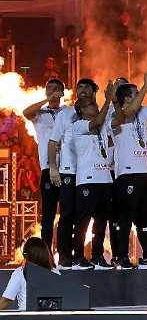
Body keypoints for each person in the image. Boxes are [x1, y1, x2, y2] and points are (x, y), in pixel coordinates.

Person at [110, 67, 147, 268]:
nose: (139, 97)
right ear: (124, 99)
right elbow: (128, 112)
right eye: (134, 94)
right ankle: (121, 256)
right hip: (127, 175)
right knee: (124, 220)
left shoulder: (143, 112)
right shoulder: (114, 116)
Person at [47, 78, 98, 268]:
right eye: (79, 88)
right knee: (67, 214)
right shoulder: (65, 113)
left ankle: (80, 256)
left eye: (87, 87)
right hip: (68, 171)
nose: (82, 90)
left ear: (94, 92)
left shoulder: (97, 114)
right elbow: (53, 142)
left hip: (89, 173)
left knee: (84, 216)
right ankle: (64, 256)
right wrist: (53, 167)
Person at [71, 82, 115, 270]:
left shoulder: (103, 125)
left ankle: (97, 256)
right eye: (90, 105)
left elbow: (110, 142)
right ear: (81, 110)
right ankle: (78, 257)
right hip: (87, 180)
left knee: (101, 221)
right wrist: (107, 100)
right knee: (83, 221)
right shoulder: (79, 125)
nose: (95, 107)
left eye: (94, 104)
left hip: (105, 179)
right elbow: (96, 122)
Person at [23, 78, 72, 250]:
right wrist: (47, 99)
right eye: (49, 89)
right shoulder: (40, 114)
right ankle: (46, 253)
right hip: (48, 169)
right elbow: (25, 112)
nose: (52, 91)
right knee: (48, 215)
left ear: (62, 92)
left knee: (68, 214)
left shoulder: (69, 112)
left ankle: (66, 253)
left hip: (69, 168)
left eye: (56, 89)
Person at [1, 237, 57, 311]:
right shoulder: (56, 272)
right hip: (52, 318)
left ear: (26, 255)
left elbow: (6, 301)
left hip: (26, 319)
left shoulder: (19, 273)